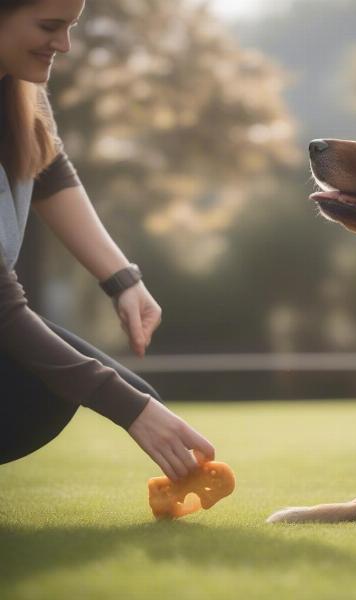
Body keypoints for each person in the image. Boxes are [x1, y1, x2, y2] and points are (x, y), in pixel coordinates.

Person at [0, 0, 215, 481]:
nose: (65, 45)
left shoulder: (18, 91)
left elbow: (47, 165)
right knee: (45, 383)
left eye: (71, 27)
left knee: (58, 385)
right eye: (49, 26)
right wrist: (132, 410)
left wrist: (122, 280)